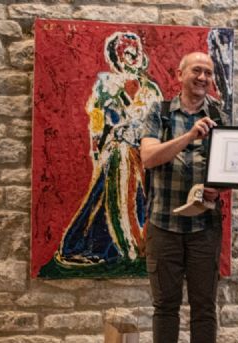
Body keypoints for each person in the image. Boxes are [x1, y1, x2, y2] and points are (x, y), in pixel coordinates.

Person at [139, 52, 230, 343]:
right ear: (180, 74)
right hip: (163, 223)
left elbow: (231, 168)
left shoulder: (221, 117)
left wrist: (220, 186)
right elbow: (148, 158)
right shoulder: (159, 113)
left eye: (208, 72)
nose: (203, 77)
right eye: (197, 70)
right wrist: (190, 135)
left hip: (206, 226)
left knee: (205, 305)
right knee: (165, 305)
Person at [49, 32, 162, 270]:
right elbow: (97, 121)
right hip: (117, 153)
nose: (132, 57)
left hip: (144, 154)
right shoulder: (106, 85)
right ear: (116, 56)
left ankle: (142, 247)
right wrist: (95, 149)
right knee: (105, 200)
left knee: (144, 201)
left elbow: (162, 123)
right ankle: (101, 248)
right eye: (126, 52)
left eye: (135, 52)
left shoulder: (151, 89)